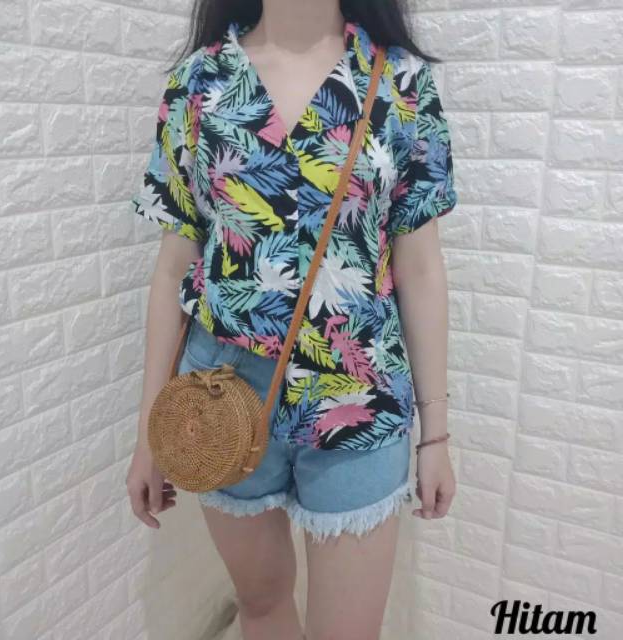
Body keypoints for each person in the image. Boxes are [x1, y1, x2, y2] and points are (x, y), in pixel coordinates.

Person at [126, 1, 458, 638]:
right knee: (260, 605)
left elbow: (420, 269)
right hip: (220, 396)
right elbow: (174, 268)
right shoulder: (199, 83)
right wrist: (149, 435)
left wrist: (436, 437)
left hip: (358, 397)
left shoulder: (401, 83)